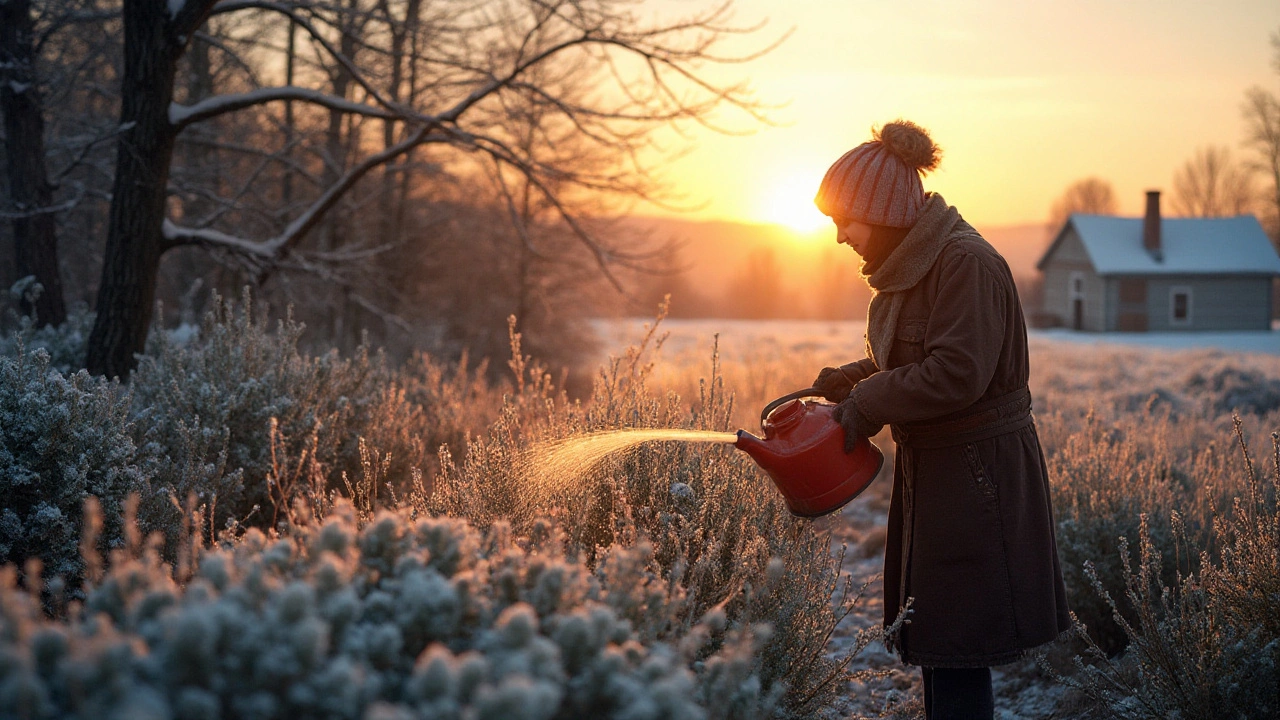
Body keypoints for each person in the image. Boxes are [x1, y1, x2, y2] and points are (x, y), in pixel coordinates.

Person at [809, 120, 1071, 720]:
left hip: (978, 477)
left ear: (883, 210)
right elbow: (913, 356)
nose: (841, 237)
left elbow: (955, 372)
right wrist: (852, 379)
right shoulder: (912, 262)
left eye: (845, 220)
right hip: (940, 472)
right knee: (941, 637)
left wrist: (870, 401)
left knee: (957, 645)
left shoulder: (964, 263)